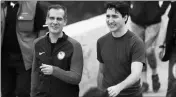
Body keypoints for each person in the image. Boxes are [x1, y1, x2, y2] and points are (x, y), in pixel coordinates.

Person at [31, 4, 84, 97]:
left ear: (65, 21)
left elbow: (76, 78)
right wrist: (32, 94)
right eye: (52, 18)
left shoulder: (74, 45)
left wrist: (54, 70)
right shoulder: (37, 43)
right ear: (46, 20)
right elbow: (35, 73)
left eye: (59, 19)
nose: (55, 22)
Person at [97, 1, 145, 97]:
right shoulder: (101, 41)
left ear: (125, 18)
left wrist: (119, 87)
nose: (110, 21)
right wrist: (100, 92)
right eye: (108, 16)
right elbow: (101, 71)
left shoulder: (136, 43)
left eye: (114, 16)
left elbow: (136, 74)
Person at [1, 1, 46, 97]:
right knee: (6, 92)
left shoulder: (34, 5)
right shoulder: (2, 6)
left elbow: (42, 30)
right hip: (4, 59)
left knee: (23, 92)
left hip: (26, 59)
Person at [127, 1, 170, 92]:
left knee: (148, 50)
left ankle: (154, 76)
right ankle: (144, 82)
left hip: (154, 22)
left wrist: (160, 11)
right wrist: (130, 11)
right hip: (136, 22)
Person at [157, 1, 176, 97]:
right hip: (174, 48)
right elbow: (166, 26)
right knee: (173, 81)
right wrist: (161, 45)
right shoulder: (174, 6)